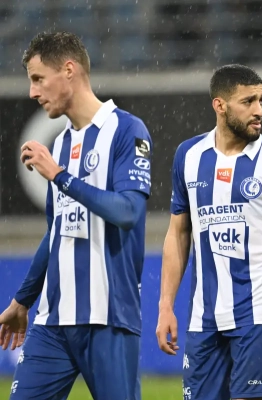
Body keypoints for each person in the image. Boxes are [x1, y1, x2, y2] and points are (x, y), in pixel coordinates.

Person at [0, 31, 152, 400]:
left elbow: (128, 212)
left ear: (68, 70)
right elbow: (57, 232)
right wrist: (22, 300)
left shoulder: (127, 130)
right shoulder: (60, 144)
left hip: (108, 317)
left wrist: (60, 176)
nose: (33, 92)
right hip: (53, 322)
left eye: (39, 79)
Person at [155, 64, 262, 400]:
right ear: (220, 105)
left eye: (261, 100)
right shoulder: (188, 156)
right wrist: (165, 305)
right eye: (248, 101)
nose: (259, 111)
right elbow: (178, 233)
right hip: (203, 318)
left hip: (259, 315)